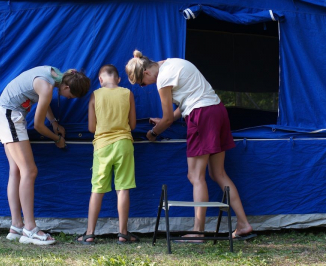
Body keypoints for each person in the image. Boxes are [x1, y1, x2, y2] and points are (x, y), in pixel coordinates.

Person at [125, 50, 255, 242]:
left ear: (145, 73)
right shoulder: (173, 62)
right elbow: (186, 101)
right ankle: (244, 224)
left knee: (195, 176)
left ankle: (198, 232)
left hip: (201, 116)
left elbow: (168, 119)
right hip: (217, 111)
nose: (145, 86)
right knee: (218, 174)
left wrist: (153, 133)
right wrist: (163, 120)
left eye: (143, 84)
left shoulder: (162, 80)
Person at [0, 66, 90, 245]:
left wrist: (53, 122)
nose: (67, 98)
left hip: (7, 115)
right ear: (67, 87)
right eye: (69, 97)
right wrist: (57, 139)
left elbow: (43, 101)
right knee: (29, 171)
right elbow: (38, 125)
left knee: (17, 171)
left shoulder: (54, 74)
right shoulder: (46, 86)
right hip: (9, 117)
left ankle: (16, 226)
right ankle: (29, 229)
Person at [76, 64, 139, 245]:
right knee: (123, 188)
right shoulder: (128, 93)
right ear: (118, 79)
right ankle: (123, 233)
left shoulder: (95, 95)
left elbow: (91, 128)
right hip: (124, 144)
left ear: (101, 80)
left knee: (97, 189)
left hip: (102, 146)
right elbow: (133, 125)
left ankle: (89, 234)